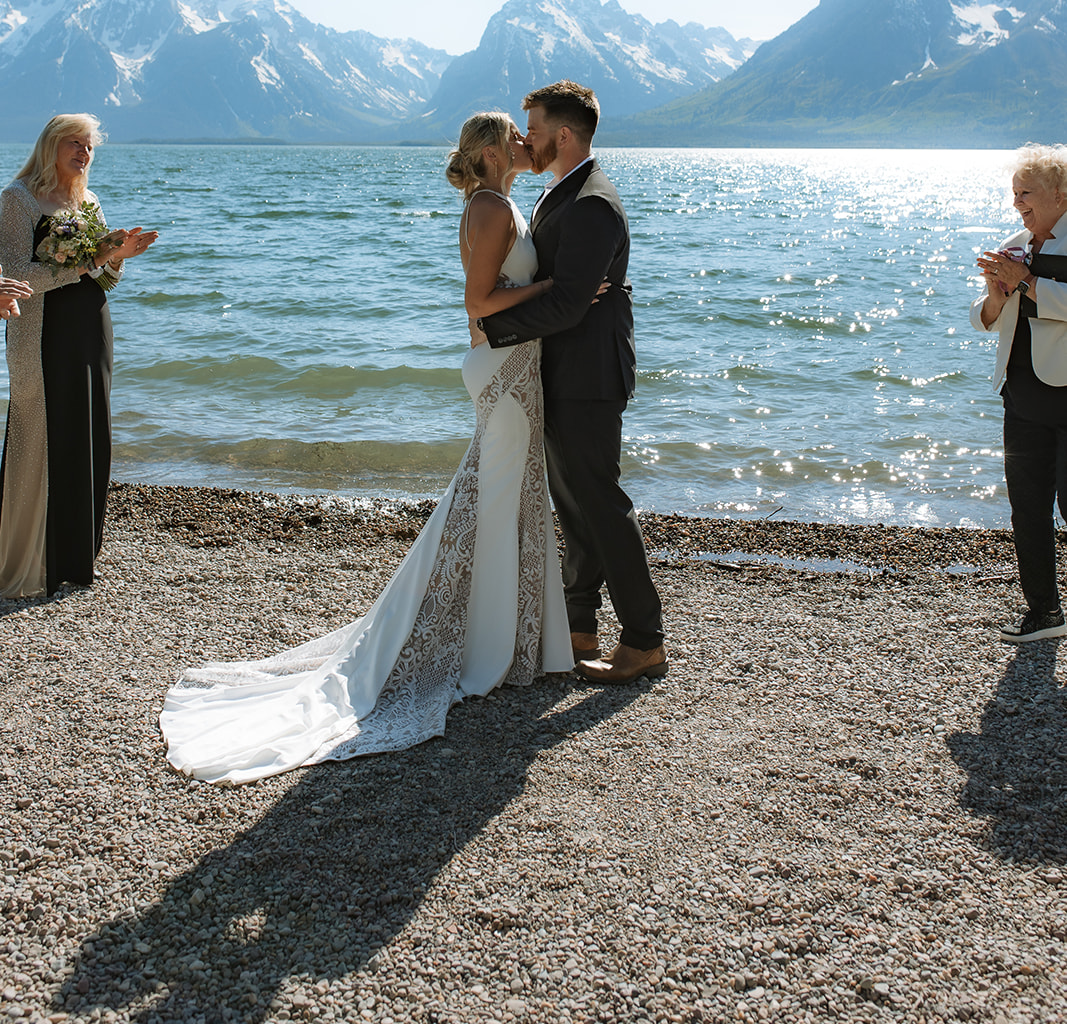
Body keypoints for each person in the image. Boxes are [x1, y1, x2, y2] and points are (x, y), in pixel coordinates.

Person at [160, 112, 573, 784]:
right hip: (501, 371)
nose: (530, 144)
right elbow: (479, 302)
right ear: (497, 149)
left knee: (497, 503)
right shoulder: (493, 207)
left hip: (507, 371)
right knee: (489, 506)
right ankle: (484, 649)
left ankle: (498, 641)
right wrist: (555, 289)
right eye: (518, 138)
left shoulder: (492, 202)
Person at [477, 81, 666, 684]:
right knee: (575, 505)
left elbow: (566, 306)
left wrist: (491, 324)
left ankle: (643, 638)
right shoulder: (560, 193)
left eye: (531, 128)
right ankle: (580, 625)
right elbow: (565, 293)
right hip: (560, 371)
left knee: (602, 503)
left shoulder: (591, 202)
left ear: (562, 135)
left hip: (588, 375)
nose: (524, 138)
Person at [0, 114, 157, 599]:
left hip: (91, 327)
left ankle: (73, 560)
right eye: (76, 144)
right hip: (40, 333)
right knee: (42, 429)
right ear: (51, 144)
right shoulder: (17, 200)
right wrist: (88, 261)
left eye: (90, 148)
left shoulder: (88, 202)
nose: (84, 155)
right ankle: (24, 565)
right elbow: (16, 276)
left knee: (89, 430)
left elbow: (104, 280)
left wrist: (117, 258)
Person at [972, 144, 1067, 643]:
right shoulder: (1016, 244)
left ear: (1061, 194)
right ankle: (1045, 615)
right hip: (1023, 397)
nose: (1017, 204)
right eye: (1014, 194)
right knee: (1027, 507)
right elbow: (986, 319)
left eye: (1025, 193)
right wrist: (996, 295)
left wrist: (1026, 282)